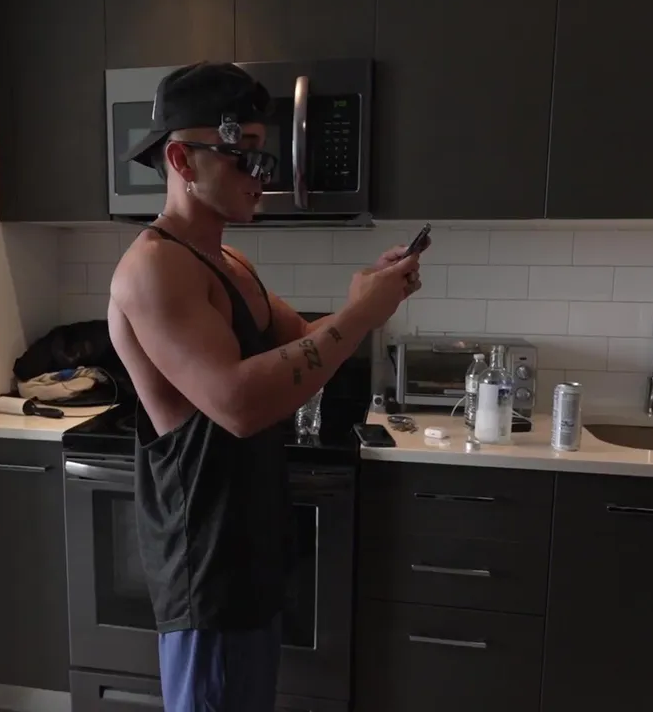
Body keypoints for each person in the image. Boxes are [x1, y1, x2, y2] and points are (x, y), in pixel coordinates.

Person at [107, 62, 423, 711]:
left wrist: (368, 299)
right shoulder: (153, 270)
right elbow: (239, 404)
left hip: (247, 555)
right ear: (181, 160)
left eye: (264, 156)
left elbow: (299, 343)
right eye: (244, 155)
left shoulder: (227, 261)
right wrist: (360, 316)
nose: (261, 175)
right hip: (207, 569)